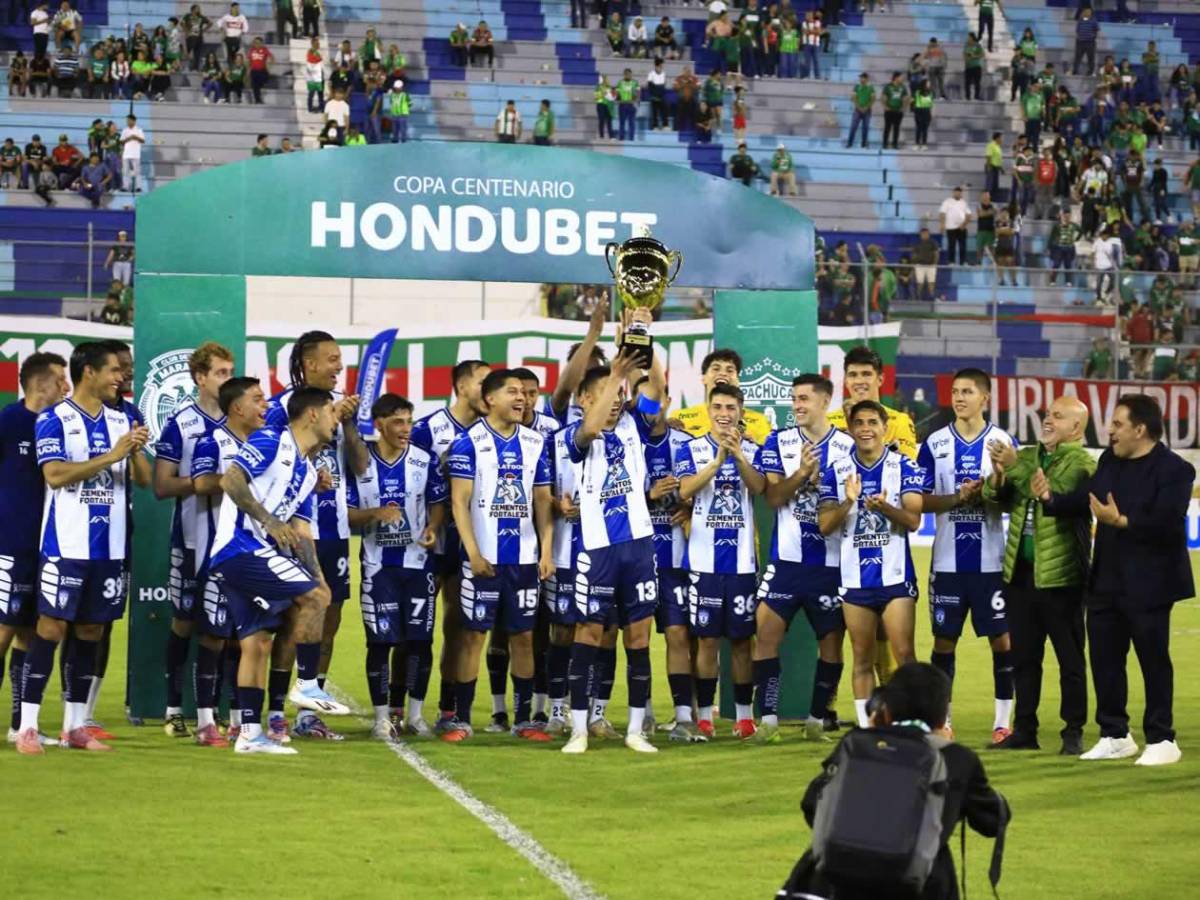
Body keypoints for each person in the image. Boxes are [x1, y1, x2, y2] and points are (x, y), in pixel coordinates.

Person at [1034, 395, 1193, 766]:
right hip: (1107, 579)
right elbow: (1086, 501)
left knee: (1153, 660)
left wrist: (1121, 522)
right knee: (1105, 659)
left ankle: (1162, 738)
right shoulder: (1109, 460)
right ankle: (1115, 733)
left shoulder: (1175, 470)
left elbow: (1168, 522)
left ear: (1141, 429)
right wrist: (1050, 498)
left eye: (1118, 424)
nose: (1109, 431)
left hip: (1151, 583)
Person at [13, 343, 151, 755]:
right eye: (113, 371)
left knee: (91, 630)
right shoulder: (54, 418)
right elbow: (54, 475)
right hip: (65, 544)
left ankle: (76, 726)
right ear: (87, 372)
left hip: (109, 548)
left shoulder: (122, 417)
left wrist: (135, 449)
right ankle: (28, 726)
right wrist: (113, 455)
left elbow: (142, 480)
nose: (120, 377)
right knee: (51, 627)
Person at [782, 663, 1010, 900]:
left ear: (885, 707)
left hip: (841, 882)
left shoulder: (855, 744)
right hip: (920, 887)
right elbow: (992, 821)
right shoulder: (956, 757)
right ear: (942, 717)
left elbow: (812, 803)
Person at [208, 388, 349, 755]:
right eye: (332, 411)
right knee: (315, 599)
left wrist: (318, 577)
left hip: (251, 553)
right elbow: (231, 480)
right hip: (239, 548)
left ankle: (250, 736)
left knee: (257, 644)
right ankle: (306, 683)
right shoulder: (272, 440)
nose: (338, 420)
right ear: (313, 415)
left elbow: (302, 531)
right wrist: (267, 520)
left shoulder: (306, 471)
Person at [560, 334, 666, 755]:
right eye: (605, 394)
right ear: (585, 399)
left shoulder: (636, 425)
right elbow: (589, 428)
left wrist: (646, 348)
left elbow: (656, 391)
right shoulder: (577, 434)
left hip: (639, 547)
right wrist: (615, 375)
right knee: (588, 633)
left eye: (620, 394)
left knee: (638, 638)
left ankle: (636, 729)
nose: (617, 399)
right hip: (597, 548)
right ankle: (579, 729)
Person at [263, 332, 368, 741]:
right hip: (294, 531)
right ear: (308, 364)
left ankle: (310, 710)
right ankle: (273, 711)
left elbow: (359, 466)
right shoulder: (279, 410)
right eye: (331, 360)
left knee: (329, 619)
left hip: (335, 530)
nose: (338, 367)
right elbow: (276, 461)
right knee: (293, 620)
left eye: (340, 359)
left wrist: (351, 425)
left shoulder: (338, 410)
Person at [444, 370, 554, 743]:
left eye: (525, 393)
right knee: (474, 637)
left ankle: (524, 720)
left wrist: (546, 551)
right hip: (483, 559)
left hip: (524, 560)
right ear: (490, 399)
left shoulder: (536, 442)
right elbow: (459, 502)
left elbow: (542, 500)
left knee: (523, 636)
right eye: (513, 392)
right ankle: (460, 718)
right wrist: (472, 552)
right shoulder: (468, 442)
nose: (522, 398)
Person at [982, 397, 1092, 755]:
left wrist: (1015, 467)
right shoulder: (1028, 455)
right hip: (1021, 575)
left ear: (1076, 427)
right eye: (1047, 414)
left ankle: (1072, 731)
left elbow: (1056, 495)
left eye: (1057, 417)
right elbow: (997, 499)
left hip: (1062, 579)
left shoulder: (1081, 462)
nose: (1048, 420)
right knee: (1025, 658)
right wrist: (998, 475)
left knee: (1070, 660)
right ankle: (1025, 730)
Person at [917, 369, 1017, 743]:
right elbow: (919, 500)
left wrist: (996, 485)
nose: (959, 398)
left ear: (985, 399)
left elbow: (1014, 500)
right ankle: (942, 720)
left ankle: (1002, 722)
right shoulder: (935, 442)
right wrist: (958, 498)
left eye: (968, 392)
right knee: (944, 642)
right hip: (947, 564)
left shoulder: (1003, 442)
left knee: (1002, 641)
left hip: (991, 564)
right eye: (956, 392)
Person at [754, 375, 854, 743]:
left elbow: (851, 497)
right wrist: (801, 474)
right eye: (793, 399)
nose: (796, 405)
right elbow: (773, 498)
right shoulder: (778, 441)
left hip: (831, 565)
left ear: (825, 402)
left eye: (804, 399)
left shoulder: (847, 446)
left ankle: (815, 720)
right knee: (765, 635)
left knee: (831, 643)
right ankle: (768, 720)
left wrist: (824, 480)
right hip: (787, 562)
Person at [818, 401, 922, 729]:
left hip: (895, 578)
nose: (865, 428)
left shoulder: (903, 466)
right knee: (861, 655)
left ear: (883, 427)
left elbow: (914, 520)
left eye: (872, 422)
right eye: (859, 422)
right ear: (850, 429)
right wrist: (849, 500)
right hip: (855, 581)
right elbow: (824, 525)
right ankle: (866, 728)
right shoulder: (834, 470)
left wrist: (885, 508)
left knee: (904, 654)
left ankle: (911, 722)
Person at [347, 394, 445, 741]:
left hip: (418, 566)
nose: (406, 429)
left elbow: (436, 502)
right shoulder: (359, 465)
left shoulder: (423, 460)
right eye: (398, 422)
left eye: (409, 422)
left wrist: (433, 527)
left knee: (421, 641)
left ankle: (416, 716)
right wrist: (374, 514)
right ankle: (380, 718)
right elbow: (345, 513)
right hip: (378, 569)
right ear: (379, 424)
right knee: (380, 643)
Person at [153, 343, 235, 739]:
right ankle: (172, 708)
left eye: (229, 372)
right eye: (219, 372)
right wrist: (205, 483)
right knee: (185, 621)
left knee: (227, 626)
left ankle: (219, 712)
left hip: (232, 542)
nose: (226, 379)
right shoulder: (182, 424)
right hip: (189, 538)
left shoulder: (245, 423)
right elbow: (161, 485)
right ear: (200, 378)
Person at [676, 384, 765, 741]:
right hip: (703, 562)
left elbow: (759, 488)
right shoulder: (691, 448)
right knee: (707, 641)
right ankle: (705, 716)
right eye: (717, 406)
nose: (724, 412)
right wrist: (716, 462)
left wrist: (739, 457)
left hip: (742, 562)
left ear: (740, 410)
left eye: (730, 406)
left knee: (743, 642)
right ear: (708, 410)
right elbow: (684, 490)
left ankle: (744, 717)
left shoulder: (755, 449)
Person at [410, 360, 491, 736]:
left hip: (469, 545)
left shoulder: (491, 434)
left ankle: (447, 709)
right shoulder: (427, 430)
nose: (490, 391)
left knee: (459, 627)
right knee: (416, 631)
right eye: (483, 382)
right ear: (462, 387)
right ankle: (400, 708)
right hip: (429, 545)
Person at [189, 376, 268, 745]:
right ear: (237, 408)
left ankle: (238, 718)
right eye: (257, 399)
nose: (264, 406)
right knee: (213, 636)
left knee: (244, 637)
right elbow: (203, 483)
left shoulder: (267, 444)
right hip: (218, 552)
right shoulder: (213, 441)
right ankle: (205, 720)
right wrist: (241, 479)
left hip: (255, 555)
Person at [0, 352, 67, 750]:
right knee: (4, 629)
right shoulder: (9, 421)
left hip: (49, 546)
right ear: (41, 383)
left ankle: (18, 723)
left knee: (29, 633)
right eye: (60, 379)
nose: (66, 387)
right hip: (12, 543)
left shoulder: (58, 425)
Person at [673, 348, 771, 445]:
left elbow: (766, 455)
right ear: (703, 378)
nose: (723, 373)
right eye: (716, 369)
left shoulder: (759, 421)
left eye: (730, 370)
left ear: (737, 380)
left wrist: (751, 446)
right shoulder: (680, 418)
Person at [939, 185, 971, 267]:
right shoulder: (947, 202)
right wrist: (942, 224)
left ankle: (963, 262)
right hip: (950, 227)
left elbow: (969, 215)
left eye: (959, 193)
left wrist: (964, 224)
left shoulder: (964, 203)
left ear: (961, 194)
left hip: (962, 227)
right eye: (956, 193)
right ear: (953, 193)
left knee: (963, 245)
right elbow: (942, 213)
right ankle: (951, 262)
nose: (958, 194)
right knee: (951, 245)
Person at [881, 71, 907, 150]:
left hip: (898, 111)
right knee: (887, 128)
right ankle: (885, 144)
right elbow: (883, 97)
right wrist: (885, 106)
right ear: (896, 77)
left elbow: (905, 98)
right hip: (889, 110)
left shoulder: (903, 87)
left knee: (896, 128)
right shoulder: (888, 86)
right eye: (901, 77)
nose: (903, 79)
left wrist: (903, 108)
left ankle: (895, 144)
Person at [119, 114, 144, 194]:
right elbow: (121, 142)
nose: (127, 122)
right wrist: (129, 138)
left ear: (133, 121)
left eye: (129, 120)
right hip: (126, 153)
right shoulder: (125, 130)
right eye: (127, 120)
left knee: (137, 171)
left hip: (136, 154)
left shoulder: (139, 130)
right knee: (125, 171)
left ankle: (138, 187)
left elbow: (143, 141)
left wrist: (135, 137)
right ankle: (125, 187)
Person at [615, 68, 640, 141]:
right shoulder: (620, 83)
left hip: (631, 105)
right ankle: (621, 138)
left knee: (631, 123)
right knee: (622, 123)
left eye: (630, 74)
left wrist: (635, 100)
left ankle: (631, 139)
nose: (629, 76)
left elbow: (638, 93)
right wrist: (618, 100)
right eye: (627, 74)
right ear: (624, 75)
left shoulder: (635, 83)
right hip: (622, 105)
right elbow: (617, 94)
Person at [1073, 8, 1098, 77]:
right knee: (1078, 57)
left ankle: (1090, 71)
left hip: (1090, 42)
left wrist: (1092, 37)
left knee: (1091, 58)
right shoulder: (1080, 20)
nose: (1087, 13)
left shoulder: (1093, 20)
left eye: (1089, 12)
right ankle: (1075, 70)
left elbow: (1096, 29)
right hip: (1080, 42)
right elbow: (1077, 30)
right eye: (1086, 11)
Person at [247, 35, 272, 104]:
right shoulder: (251, 50)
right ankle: (257, 100)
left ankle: (261, 88)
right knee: (255, 85)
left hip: (262, 70)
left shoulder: (264, 50)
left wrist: (269, 66)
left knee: (261, 80)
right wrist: (248, 72)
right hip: (254, 71)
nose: (256, 44)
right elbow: (249, 62)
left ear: (261, 43)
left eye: (258, 43)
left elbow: (271, 58)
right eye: (255, 43)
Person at [646, 58, 668, 131]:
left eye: (662, 66)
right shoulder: (651, 74)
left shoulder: (663, 74)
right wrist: (655, 95)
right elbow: (650, 86)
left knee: (664, 109)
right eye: (661, 66)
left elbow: (663, 85)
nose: (662, 67)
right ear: (656, 66)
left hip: (661, 96)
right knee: (654, 112)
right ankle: (655, 126)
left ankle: (665, 125)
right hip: (654, 96)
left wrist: (661, 95)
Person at [388, 79, 410, 144]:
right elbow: (391, 103)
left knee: (403, 130)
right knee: (394, 130)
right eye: (396, 87)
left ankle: (403, 143)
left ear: (401, 87)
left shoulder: (405, 95)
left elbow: (410, 104)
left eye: (398, 87)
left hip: (402, 115)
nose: (397, 89)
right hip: (394, 115)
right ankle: (395, 142)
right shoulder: (392, 95)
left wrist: (404, 110)